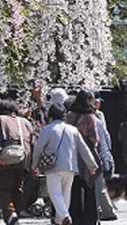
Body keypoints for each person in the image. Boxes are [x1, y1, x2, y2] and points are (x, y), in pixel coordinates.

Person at [31, 102, 98, 225]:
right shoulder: (73, 130)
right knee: (66, 194)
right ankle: (60, 221)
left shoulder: (47, 129)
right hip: (71, 167)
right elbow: (83, 148)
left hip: (53, 166)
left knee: (54, 193)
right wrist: (91, 164)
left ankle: (64, 216)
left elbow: (38, 148)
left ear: (50, 116)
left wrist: (34, 165)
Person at [65, 91, 112, 225]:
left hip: (71, 154)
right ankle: (90, 219)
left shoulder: (69, 116)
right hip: (87, 156)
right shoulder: (89, 117)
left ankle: (75, 218)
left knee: (74, 187)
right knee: (89, 188)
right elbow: (94, 139)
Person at [0, 99, 35, 225]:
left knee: (3, 189)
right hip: (23, 160)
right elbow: (32, 142)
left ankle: (11, 215)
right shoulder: (25, 122)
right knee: (17, 189)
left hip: (6, 160)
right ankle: (15, 215)